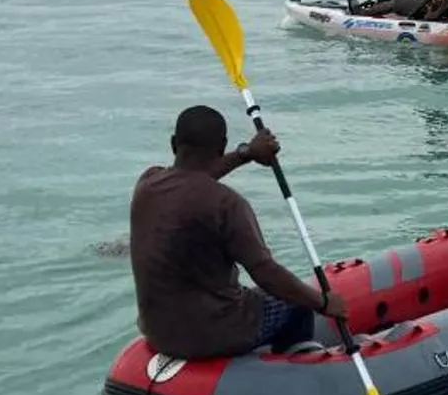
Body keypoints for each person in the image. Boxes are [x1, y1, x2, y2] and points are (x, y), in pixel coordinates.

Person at [130, 105, 334, 360]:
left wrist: (247, 153)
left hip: (159, 334)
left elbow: (194, 177)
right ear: (221, 145)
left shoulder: (147, 183)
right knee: (296, 304)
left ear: (173, 143)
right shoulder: (227, 204)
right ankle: (295, 371)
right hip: (215, 335)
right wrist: (324, 303)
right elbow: (267, 274)